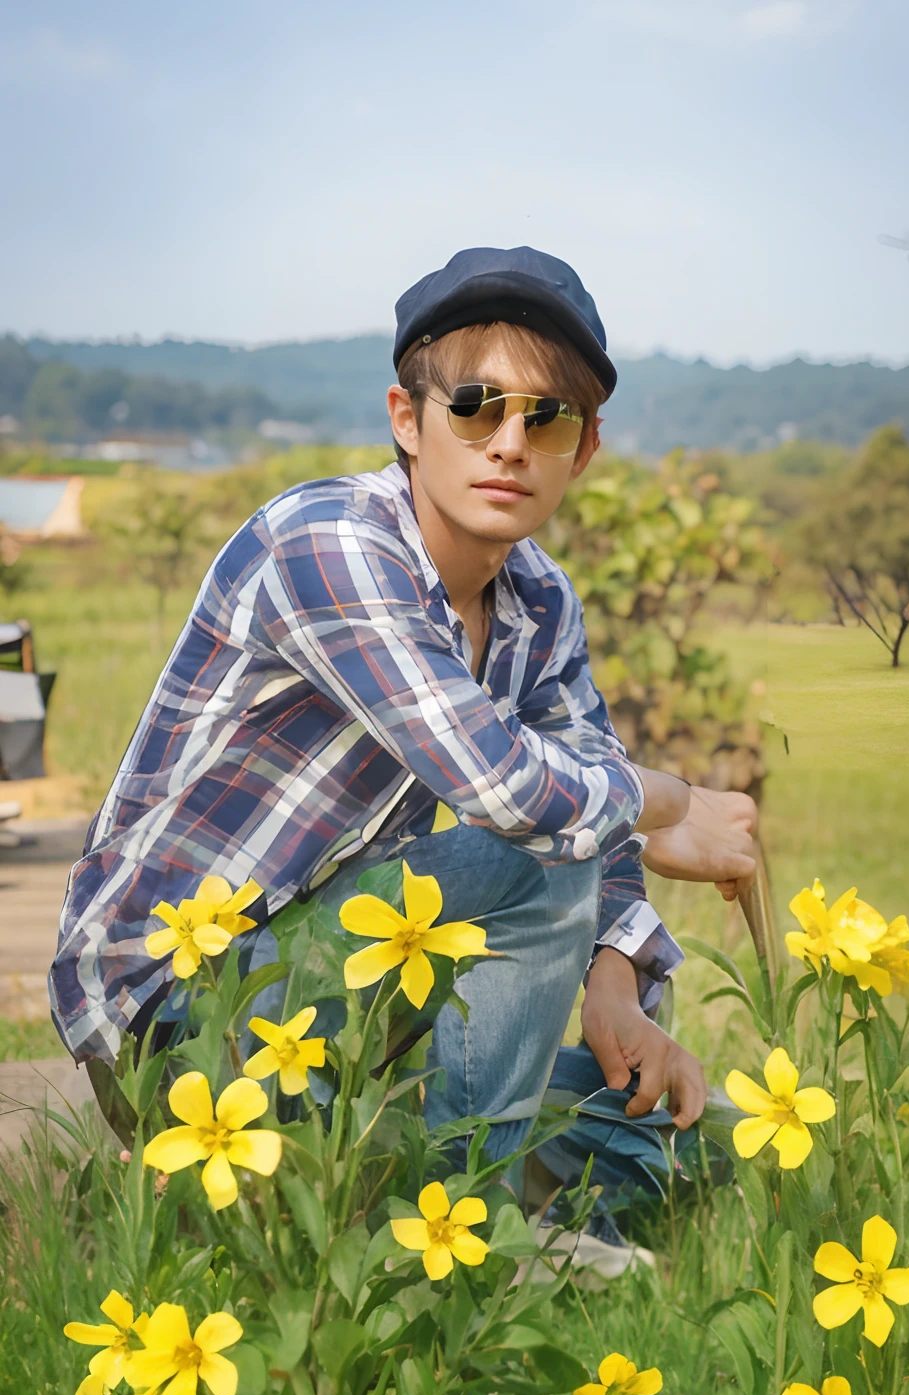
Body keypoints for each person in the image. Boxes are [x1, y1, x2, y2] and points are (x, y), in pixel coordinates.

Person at [49, 246, 757, 1264]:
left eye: (545, 419)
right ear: (405, 418)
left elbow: (583, 787)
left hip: (358, 998)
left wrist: (614, 981)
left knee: (695, 1136)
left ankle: (395, 1196)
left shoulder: (539, 598)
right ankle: (477, 1241)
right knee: (533, 853)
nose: (509, 444)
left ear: (583, 449)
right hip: (188, 1005)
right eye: (475, 407)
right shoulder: (329, 541)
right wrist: (671, 801)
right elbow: (512, 791)